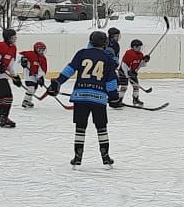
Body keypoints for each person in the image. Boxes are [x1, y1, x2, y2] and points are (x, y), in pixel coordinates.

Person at [47, 30, 121, 167]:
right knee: (101, 127)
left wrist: (57, 83)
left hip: (80, 97)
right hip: (99, 98)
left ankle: (77, 156)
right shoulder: (108, 58)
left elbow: (69, 69)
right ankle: (105, 156)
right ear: (104, 43)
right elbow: (111, 81)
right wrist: (114, 97)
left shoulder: (82, 53)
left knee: (80, 127)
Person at [0, 28, 21, 128]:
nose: (14, 39)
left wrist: (15, 76)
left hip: (2, 76)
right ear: (7, 38)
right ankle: (4, 118)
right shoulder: (0, 46)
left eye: (15, 37)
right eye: (12, 37)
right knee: (8, 96)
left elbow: (11, 64)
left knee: (1, 96)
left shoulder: (13, 48)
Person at [119, 39, 150, 107]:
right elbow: (124, 64)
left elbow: (140, 65)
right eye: (139, 47)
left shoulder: (140, 54)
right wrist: (126, 74)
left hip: (132, 72)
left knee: (136, 86)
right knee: (124, 86)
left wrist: (145, 60)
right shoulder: (129, 53)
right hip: (123, 71)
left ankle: (135, 99)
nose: (140, 48)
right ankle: (119, 100)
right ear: (134, 47)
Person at [19, 41, 49, 109]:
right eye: (40, 49)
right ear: (36, 49)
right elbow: (19, 55)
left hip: (36, 77)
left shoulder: (43, 58)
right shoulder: (30, 54)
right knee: (31, 88)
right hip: (29, 75)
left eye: (43, 49)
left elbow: (42, 69)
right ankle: (25, 101)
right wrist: (23, 59)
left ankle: (28, 101)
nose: (41, 51)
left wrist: (40, 77)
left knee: (34, 88)